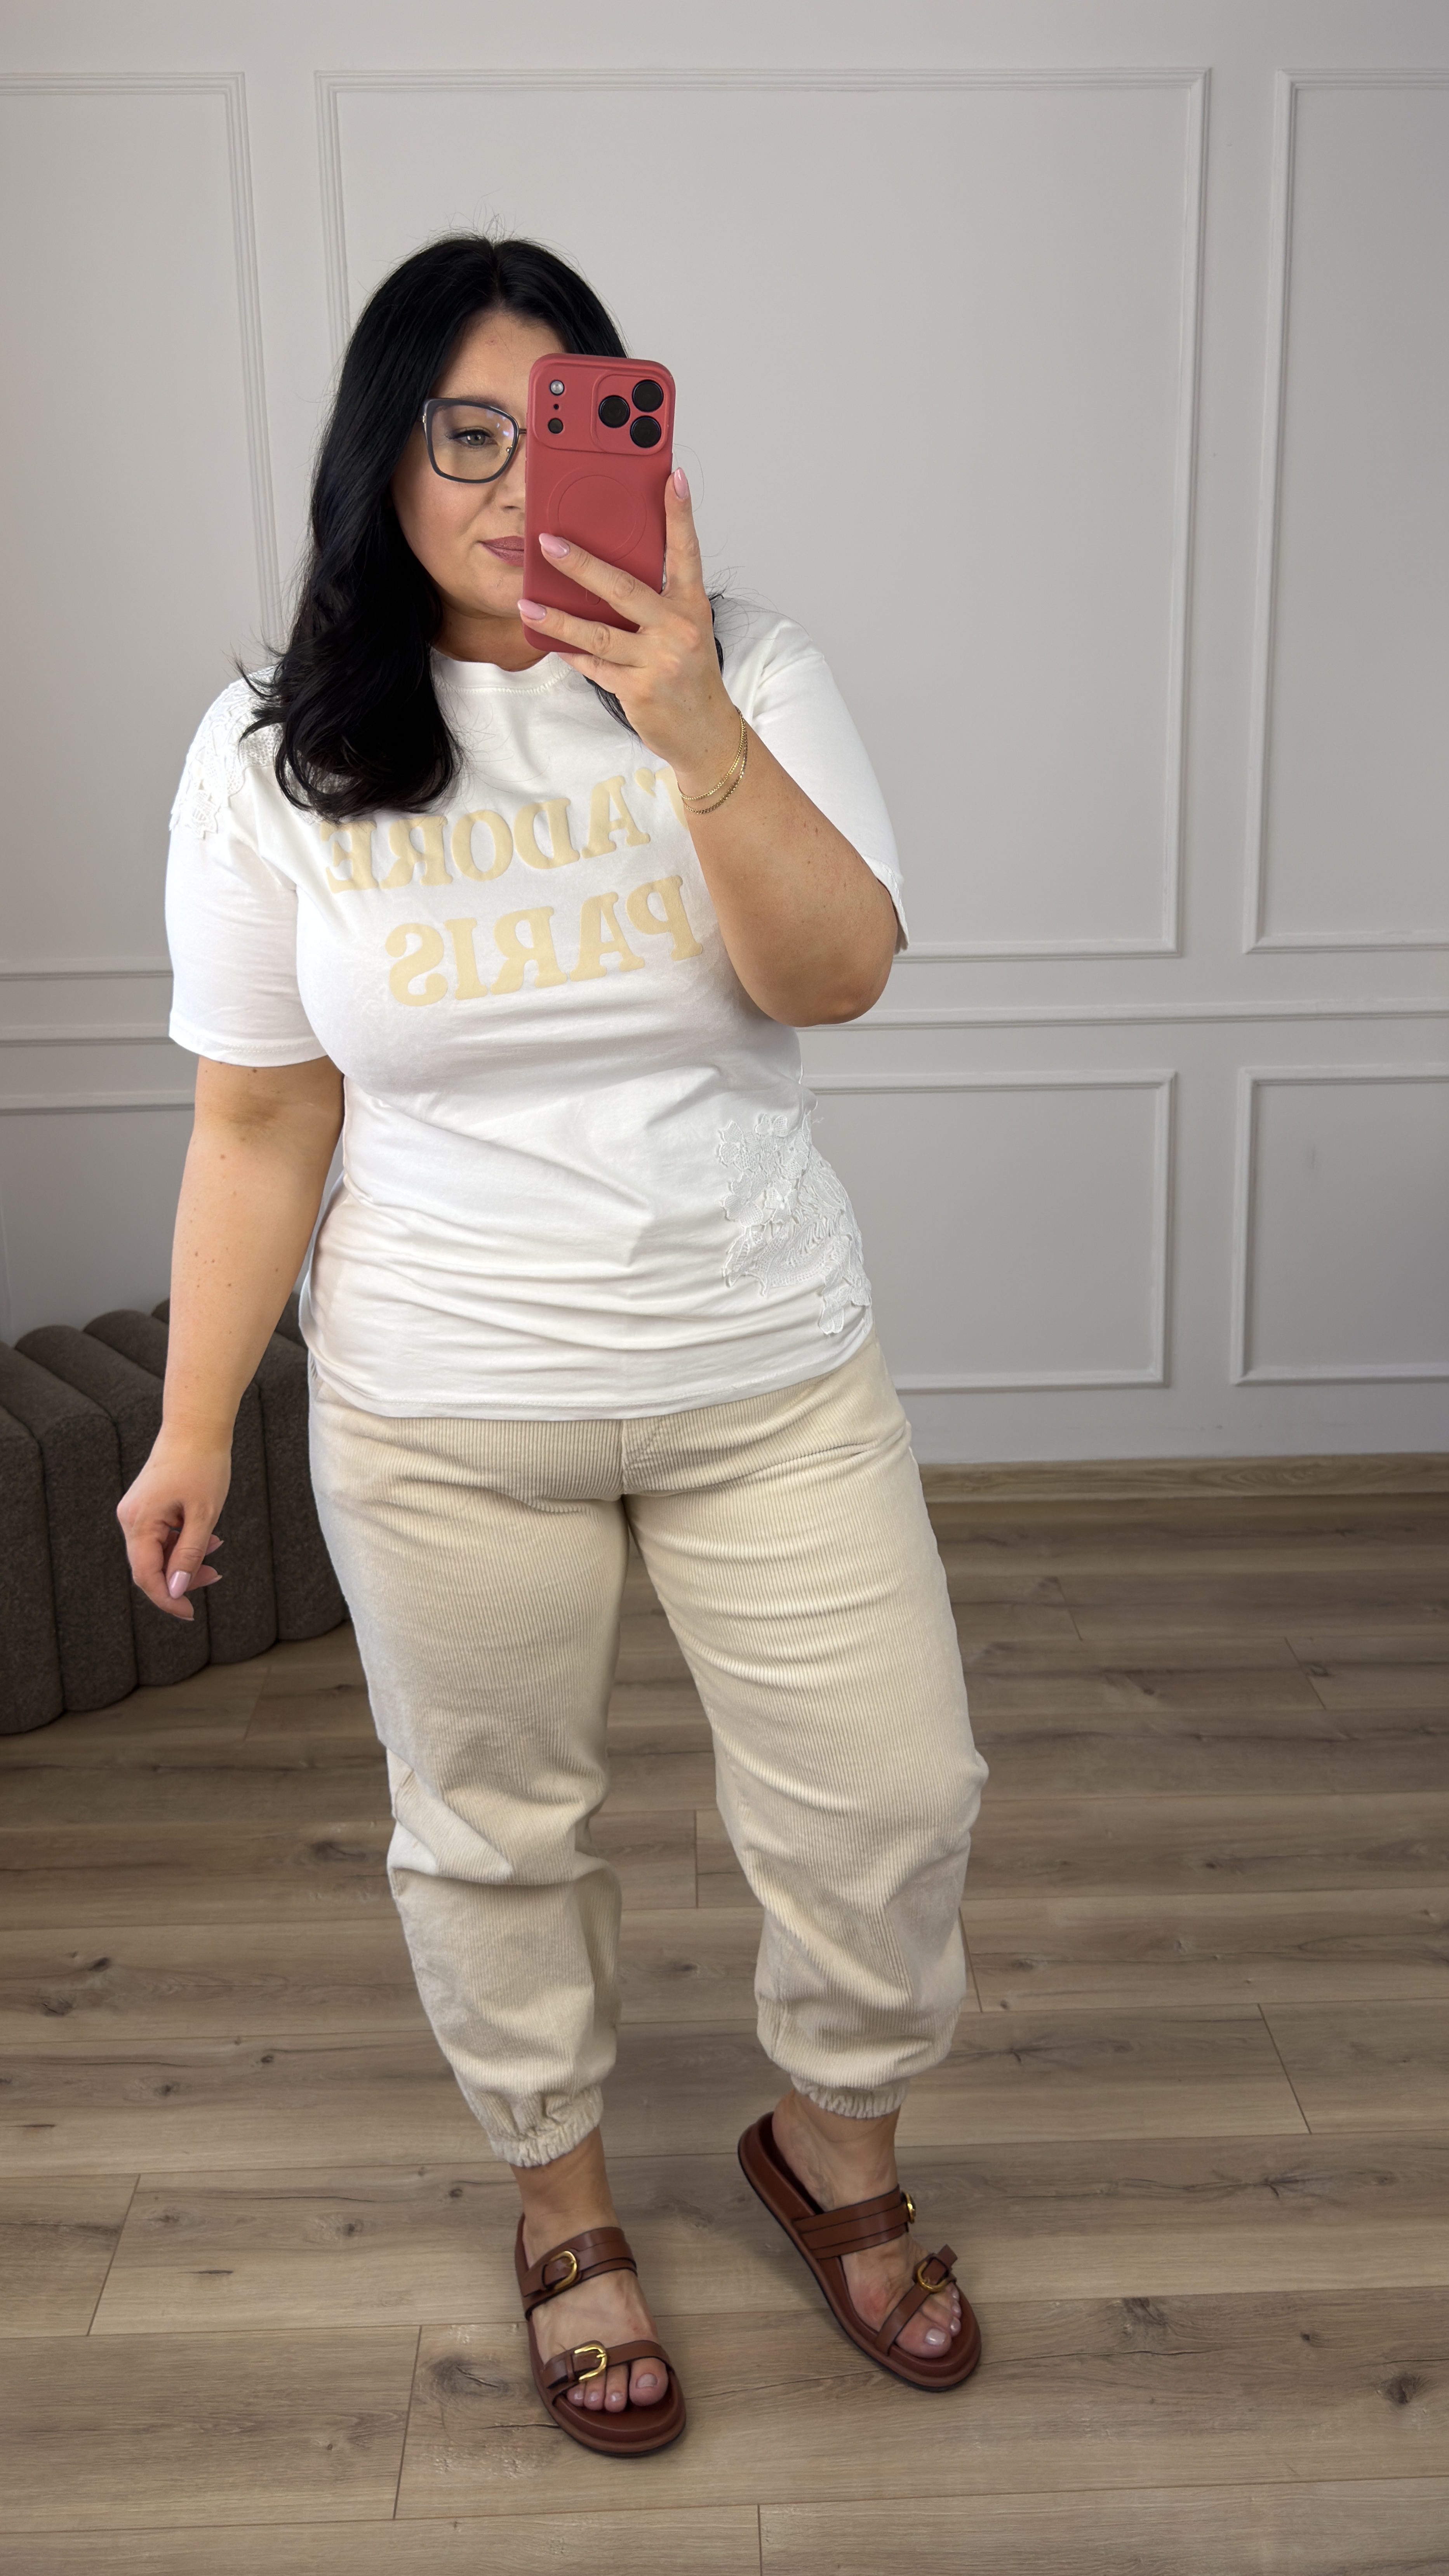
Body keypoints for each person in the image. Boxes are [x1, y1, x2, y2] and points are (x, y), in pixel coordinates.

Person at [120, 234, 989, 2455]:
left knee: (890, 1798)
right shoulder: (277, 751)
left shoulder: (751, 670)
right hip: (442, 1400)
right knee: (493, 1832)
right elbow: (259, 1116)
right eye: (464, 435)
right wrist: (193, 1421)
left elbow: (832, 979)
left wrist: (687, 723)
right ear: (383, 462)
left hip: (763, 1366)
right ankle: (563, 2205)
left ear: (642, 440)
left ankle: (832, 2142)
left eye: (565, 426)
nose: (514, 484)